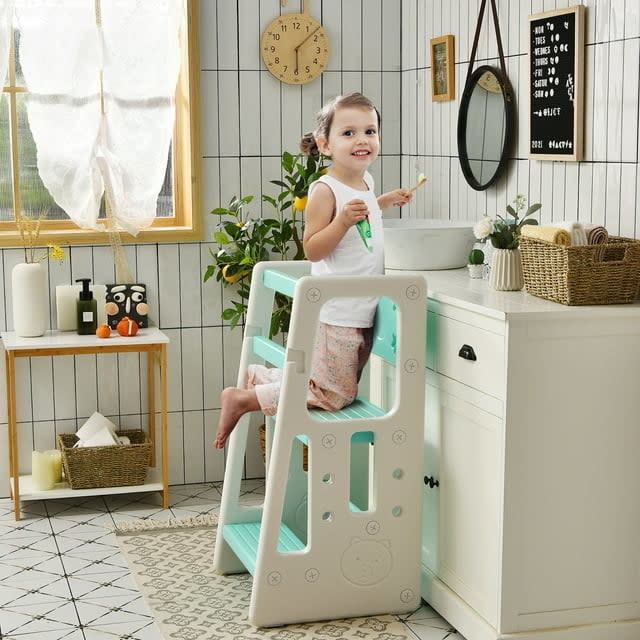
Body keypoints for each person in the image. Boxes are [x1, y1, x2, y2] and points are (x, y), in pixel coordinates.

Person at [213, 92, 413, 449]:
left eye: (370, 130)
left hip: (360, 308)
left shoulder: (365, 183)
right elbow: (313, 247)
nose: (362, 139)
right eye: (348, 133)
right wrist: (342, 222)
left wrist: (382, 202)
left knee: (333, 386)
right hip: (336, 312)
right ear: (325, 144)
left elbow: (364, 219)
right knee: (332, 394)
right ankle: (244, 399)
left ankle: (261, 377)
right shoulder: (324, 190)